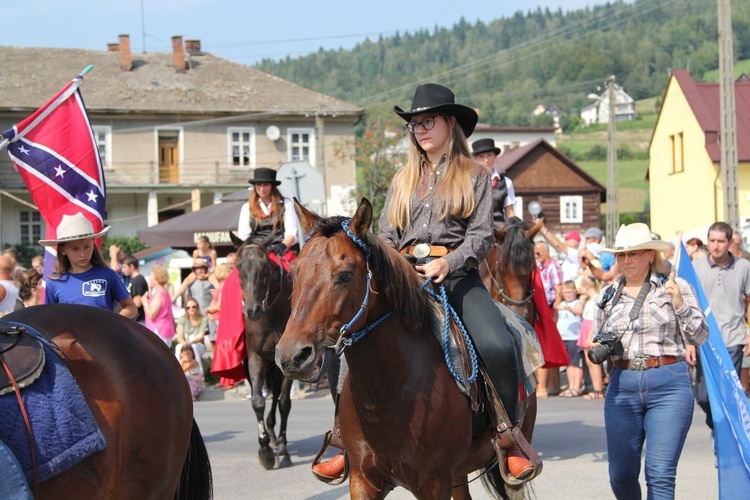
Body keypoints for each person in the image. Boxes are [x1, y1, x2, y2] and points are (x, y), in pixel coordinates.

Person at [353, 82, 532, 481]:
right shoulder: (402, 179)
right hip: (404, 279)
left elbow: (482, 234)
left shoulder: (476, 175)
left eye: (428, 121)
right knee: (349, 336)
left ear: (451, 123)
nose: (420, 129)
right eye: (414, 123)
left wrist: (448, 263)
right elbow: (385, 234)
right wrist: (394, 265)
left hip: (457, 277)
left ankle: (508, 436)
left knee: (499, 344)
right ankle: (341, 437)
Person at [593, 222, 708, 499]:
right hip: (623, 384)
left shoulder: (674, 286)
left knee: (660, 473)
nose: (626, 260)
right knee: (620, 475)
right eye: (621, 255)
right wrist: (599, 346)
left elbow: (701, 335)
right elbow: (598, 342)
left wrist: (680, 304)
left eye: (633, 254)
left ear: (650, 256)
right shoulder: (607, 296)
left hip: (669, 382)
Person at [692, 222, 750, 430]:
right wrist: (689, 342)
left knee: (726, 393)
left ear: (729, 242)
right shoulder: (696, 267)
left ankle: (725, 443)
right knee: (703, 396)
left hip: (733, 338)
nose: (715, 246)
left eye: (720, 241)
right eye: (712, 241)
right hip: (704, 339)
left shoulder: (744, 267)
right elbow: (689, 305)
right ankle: (719, 427)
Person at [40, 213, 136, 318]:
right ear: (63, 250)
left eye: (87, 247)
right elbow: (49, 318)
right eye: (75, 249)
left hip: (104, 334)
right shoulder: (54, 282)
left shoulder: (108, 275)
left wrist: (114, 323)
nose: (82, 254)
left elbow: (131, 307)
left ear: (93, 245)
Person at [237, 167, 301, 263]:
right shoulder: (247, 207)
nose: (262, 189)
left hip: (279, 250)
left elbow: (291, 233)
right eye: (259, 185)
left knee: (295, 274)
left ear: (272, 186)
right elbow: (243, 235)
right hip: (255, 252)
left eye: (266, 185)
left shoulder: (286, 204)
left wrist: (282, 245)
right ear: (255, 186)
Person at [535, 239, 563, 396]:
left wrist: (555, 311)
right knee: (545, 346)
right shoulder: (539, 266)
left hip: (549, 308)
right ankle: (550, 385)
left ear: (547, 252)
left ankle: (544, 387)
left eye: (539, 253)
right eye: (535, 253)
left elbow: (558, 288)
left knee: (545, 347)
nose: (537, 255)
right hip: (541, 308)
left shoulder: (553, 266)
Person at [471, 138, 516, 226]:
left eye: (489, 155)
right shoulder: (469, 182)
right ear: (476, 159)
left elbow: (510, 213)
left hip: (499, 232)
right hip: (474, 231)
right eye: (481, 156)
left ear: (495, 156)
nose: (486, 160)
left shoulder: (506, 182)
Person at [577, 275, 605, 399]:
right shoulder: (589, 299)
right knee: (589, 362)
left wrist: (590, 337)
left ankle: (598, 389)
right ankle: (595, 388)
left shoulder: (596, 300)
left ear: (586, 286)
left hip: (590, 329)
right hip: (585, 327)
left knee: (594, 362)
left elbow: (594, 320)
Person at [557, 280, 584, 397]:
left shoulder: (577, 302)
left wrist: (568, 308)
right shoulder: (562, 304)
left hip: (574, 338)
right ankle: (571, 386)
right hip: (564, 338)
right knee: (568, 363)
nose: (568, 295)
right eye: (565, 293)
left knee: (576, 363)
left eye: (570, 292)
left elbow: (579, 311)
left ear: (575, 292)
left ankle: (576, 387)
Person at [142, 264, 175, 346]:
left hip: (159, 332)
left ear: (157, 279)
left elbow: (152, 315)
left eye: (151, 276)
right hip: (162, 331)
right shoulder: (163, 293)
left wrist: (145, 303)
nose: (149, 278)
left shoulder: (159, 295)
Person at [175, 297, 208, 363]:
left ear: (197, 308)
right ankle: (176, 367)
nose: (191, 309)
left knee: (193, 347)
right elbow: (180, 336)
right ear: (186, 309)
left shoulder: (203, 319)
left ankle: (199, 370)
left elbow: (201, 336)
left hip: (198, 344)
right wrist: (185, 344)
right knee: (178, 347)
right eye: (188, 307)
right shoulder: (182, 319)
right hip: (185, 344)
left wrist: (191, 342)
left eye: (193, 307)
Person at [205, 263, 230, 346]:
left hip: (218, 318)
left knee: (218, 343)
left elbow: (220, 306)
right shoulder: (223, 285)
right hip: (215, 318)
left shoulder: (224, 286)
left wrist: (207, 310)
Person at [121, 256, 148, 325]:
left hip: (137, 320)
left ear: (131, 266)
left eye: (124, 267)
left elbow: (137, 303)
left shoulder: (137, 281)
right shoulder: (136, 280)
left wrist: (125, 304)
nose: (122, 270)